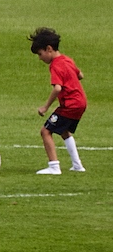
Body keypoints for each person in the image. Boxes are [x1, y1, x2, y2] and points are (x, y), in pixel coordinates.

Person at [29, 27, 87, 175]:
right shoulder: (67, 59)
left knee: (45, 131)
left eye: (40, 54)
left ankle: (54, 167)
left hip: (70, 104)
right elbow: (80, 75)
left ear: (49, 49)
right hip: (81, 102)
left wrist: (45, 107)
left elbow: (57, 88)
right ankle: (77, 165)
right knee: (64, 131)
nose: (40, 58)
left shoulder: (55, 65)